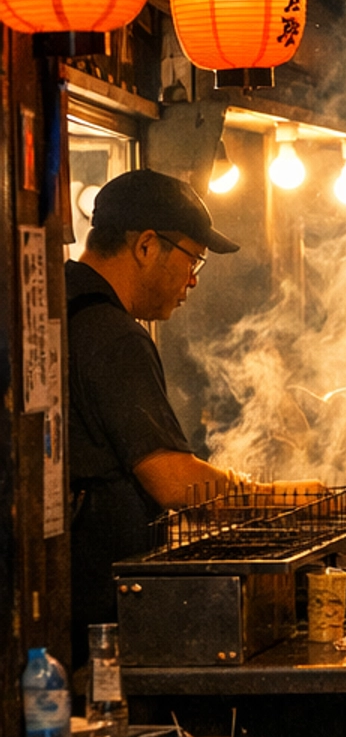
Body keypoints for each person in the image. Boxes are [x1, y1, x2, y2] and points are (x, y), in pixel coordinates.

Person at [66, 169, 243, 657]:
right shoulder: (113, 334)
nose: (193, 280)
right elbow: (174, 482)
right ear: (146, 246)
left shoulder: (63, 304)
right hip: (98, 617)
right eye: (193, 260)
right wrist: (268, 498)